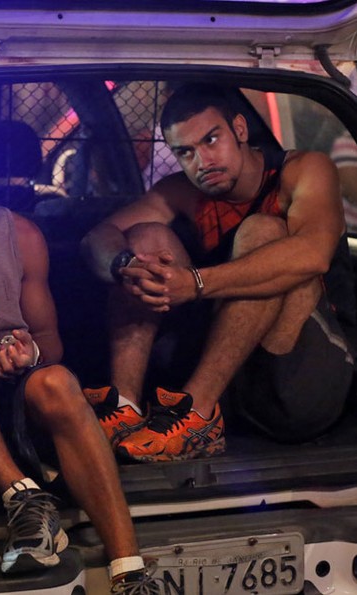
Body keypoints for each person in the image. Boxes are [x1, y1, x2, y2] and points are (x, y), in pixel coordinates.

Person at [0, 91, 158, 594]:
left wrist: (28, 355)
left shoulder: (19, 234)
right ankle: (23, 497)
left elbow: (51, 342)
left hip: (11, 400)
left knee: (58, 381)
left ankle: (131, 573)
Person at [81, 83, 355, 463]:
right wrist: (124, 265)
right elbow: (97, 237)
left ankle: (198, 416)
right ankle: (127, 407)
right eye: (185, 152)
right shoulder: (180, 192)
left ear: (240, 129)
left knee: (264, 231)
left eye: (211, 140)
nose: (202, 161)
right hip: (229, 379)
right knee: (145, 238)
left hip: (301, 384)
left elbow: (313, 254)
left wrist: (195, 284)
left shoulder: (303, 170)